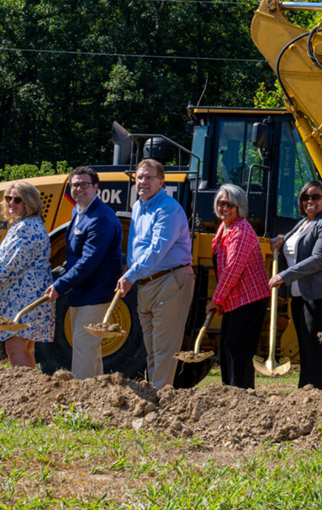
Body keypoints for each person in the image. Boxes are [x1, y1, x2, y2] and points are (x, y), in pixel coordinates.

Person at [117, 159, 194, 390]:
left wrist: (130, 274)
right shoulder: (139, 206)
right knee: (150, 346)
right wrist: (130, 269)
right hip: (147, 283)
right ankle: (154, 393)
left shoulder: (168, 208)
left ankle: (159, 402)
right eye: (140, 177)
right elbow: (136, 245)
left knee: (163, 348)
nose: (143, 182)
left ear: (161, 182)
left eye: (149, 177)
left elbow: (157, 249)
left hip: (170, 280)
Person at [42, 167, 123, 379]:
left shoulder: (100, 218)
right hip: (80, 291)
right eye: (75, 185)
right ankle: (95, 394)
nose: (79, 189)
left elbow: (90, 260)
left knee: (83, 345)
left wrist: (60, 285)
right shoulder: (78, 212)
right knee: (88, 347)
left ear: (96, 187)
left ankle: (80, 401)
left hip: (96, 292)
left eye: (84, 184)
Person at [269, 180, 322, 390]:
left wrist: (284, 275)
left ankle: (313, 393)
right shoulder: (303, 223)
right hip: (300, 294)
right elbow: (293, 243)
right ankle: (305, 391)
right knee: (305, 344)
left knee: (314, 345)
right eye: (306, 197)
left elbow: (320, 259)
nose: (310, 201)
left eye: (316, 197)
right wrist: (280, 240)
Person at [206, 184, 270, 389]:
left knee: (237, 346)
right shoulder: (224, 228)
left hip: (250, 299)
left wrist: (216, 299)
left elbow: (233, 269)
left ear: (239, 207)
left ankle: (241, 394)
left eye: (229, 204)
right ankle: (229, 391)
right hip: (235, 299)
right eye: (220, 203)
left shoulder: (240, 230)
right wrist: (221, 300)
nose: (224, 208)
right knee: (227, 344)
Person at [0, 182, 54, 368]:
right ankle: (31, 395)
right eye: (9, 198)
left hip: (23, 297)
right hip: (30, 296)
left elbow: (6, 267)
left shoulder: (25, 228)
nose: (11, 203)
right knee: (25, 349)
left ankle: (23, 394)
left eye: (17, 199)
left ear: (29, 202)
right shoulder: (32, 224)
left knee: (15, 347)